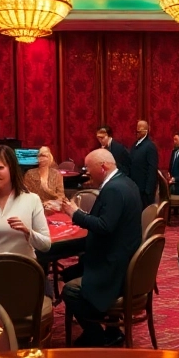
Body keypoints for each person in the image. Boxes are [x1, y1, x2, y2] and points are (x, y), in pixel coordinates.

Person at [59, 148, 141, 347]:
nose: (86, 172)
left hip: (113, 266)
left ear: (102, 167)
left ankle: (97, 336)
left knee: (69, 290)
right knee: (69, 273)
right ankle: (112, 330)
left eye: (88, 168)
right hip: (123, 257)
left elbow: (104, 226)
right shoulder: (126, 182)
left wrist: (75, 213)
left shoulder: (113, 189)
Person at [0, 145, 51, 261]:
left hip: (24, 268)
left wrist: (28, 232)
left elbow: (45, 245)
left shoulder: (32, 199)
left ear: (12, 168)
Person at [24, 146, 66, 211]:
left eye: (44, 156)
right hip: (34, 208)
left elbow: (61, 196)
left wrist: (51, 202)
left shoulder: (57, 174)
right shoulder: (30, 174)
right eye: (39, 156)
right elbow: (26, 195)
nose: (41, 158)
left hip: (53, 208)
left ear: (49, 157)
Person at [129, 120, 159, 208]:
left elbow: (152, 169)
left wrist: (148, 190)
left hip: (144, 190)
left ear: (146, 130)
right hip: (135, 187)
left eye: (140, 129)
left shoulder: (150, 146)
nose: (137, 131)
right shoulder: (135, 145)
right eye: (137, 129)